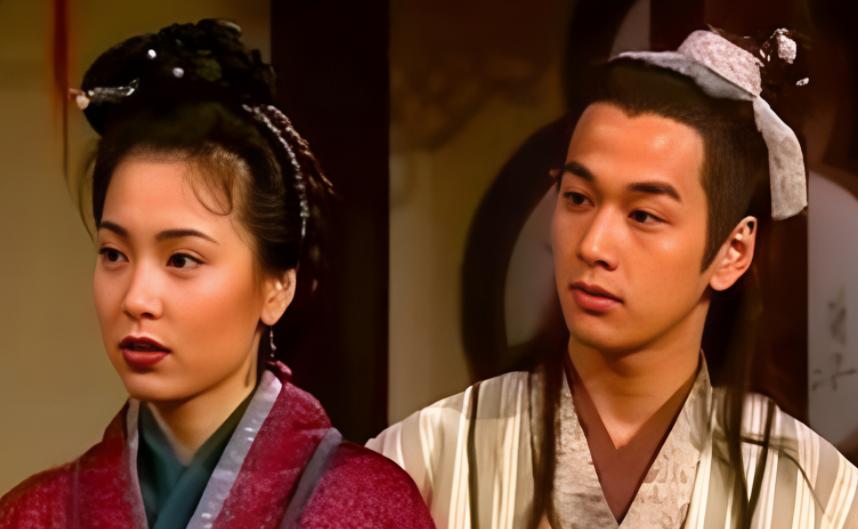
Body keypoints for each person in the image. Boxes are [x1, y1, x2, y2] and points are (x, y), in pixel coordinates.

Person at [367, 29, 858, 529]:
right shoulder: (422, 458)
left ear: (733, 252)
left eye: (643, 215)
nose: (593, 246)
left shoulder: (819, 496)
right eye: (578, 199)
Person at [0, 19, 434, 529]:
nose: (136, 298)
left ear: (277, 287)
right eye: (114, 254)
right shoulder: (35, 513)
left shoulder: (368, 507)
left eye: (181, 260)